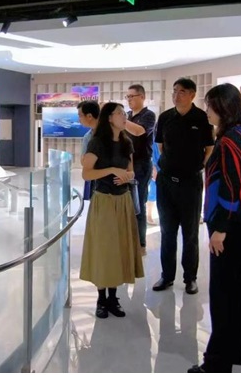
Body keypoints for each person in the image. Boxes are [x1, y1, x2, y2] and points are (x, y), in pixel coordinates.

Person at [188, 83, 241, 373]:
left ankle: (217, 362)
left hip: (231, 226)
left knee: (223, 296)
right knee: (235, 293)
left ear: (222, 107)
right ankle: (230, 353)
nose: (207, 110)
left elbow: (232, 186)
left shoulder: (230, 139)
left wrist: (221, 228)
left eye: (209, 105)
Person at [79, 102, 144, 319]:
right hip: (104, 200)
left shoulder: (127, 142)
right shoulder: (97, 143)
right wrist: (112, 170)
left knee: (119, 249)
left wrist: (127, 176)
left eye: (124, 113)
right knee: (104, 249)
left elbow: (131, 171)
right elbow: (86, 174)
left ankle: (113, 297)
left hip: (123, 200)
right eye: (119, 113)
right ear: (109, 118)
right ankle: (101, 298)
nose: (124, 116)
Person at [153, 77, 214, 295]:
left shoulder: (201, 118)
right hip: (166, 182)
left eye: (181, 91)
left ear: (192, 95)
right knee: (167, 232)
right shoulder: (165, 117)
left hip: (190, 183)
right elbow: (160, 146)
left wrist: (198, 166)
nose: (176, 95)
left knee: (190, 233)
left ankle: (190, 278)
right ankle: (167, 276)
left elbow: (209, 147)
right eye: (174, 91)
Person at [124, 84, 157, 255]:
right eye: (127, 97)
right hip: (126, 164)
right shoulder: (128, 115)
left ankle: (141, 244)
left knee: (139, 204)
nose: (129, 99)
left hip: (141, 165)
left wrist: (120, 120)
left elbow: (139, 132)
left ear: (142, 97)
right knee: (127, 204)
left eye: (132, 96)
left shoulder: (148, 115)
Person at [77, 101, 100, 200]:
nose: (79, 119)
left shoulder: (112, 133)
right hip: (95, 180)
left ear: (89, 116)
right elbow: (83, 161)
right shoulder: (87, 137)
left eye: (80, 116)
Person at [146, 142, 161, 225]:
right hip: (155, 165)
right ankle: (149, 215)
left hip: (165, 165)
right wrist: (153, 167)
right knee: (153, 191)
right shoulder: (153, 140)